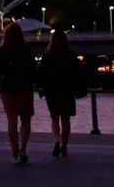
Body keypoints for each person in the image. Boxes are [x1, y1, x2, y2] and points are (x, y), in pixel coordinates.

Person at [0, 21, 37, 164]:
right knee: (26, 120)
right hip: (24, 88)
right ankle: (23, 148)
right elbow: (33, 71)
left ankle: (14, 150)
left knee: (11, 120)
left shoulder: (1, 51)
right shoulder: (27, 50)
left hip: (7, 88)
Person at [37, 29, 83, 157]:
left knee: (54, 118)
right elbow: (77, 73)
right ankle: (65, 144)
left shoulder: (47, 55)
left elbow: (42, 74)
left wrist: (41, 88)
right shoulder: (71, 54)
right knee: (66, 119)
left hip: (52, 91)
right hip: (67, 90)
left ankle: (57, 140)